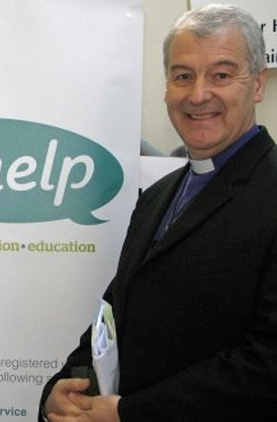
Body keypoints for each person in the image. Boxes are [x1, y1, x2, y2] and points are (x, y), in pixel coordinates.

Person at [39, 4, 277, 421]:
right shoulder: (157, 196)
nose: (198, 94)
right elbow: (114, 316)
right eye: (183, 75)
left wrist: (131, 413)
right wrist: (61, 389)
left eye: (221, 75)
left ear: (257, 84)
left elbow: (267, 364)